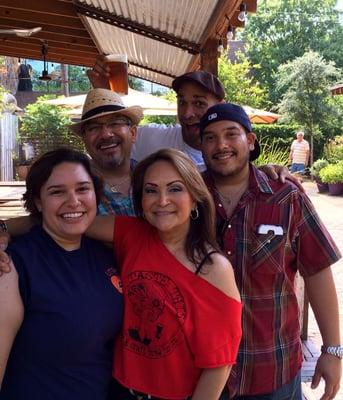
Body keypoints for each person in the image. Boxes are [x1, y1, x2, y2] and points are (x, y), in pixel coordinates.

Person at [0, 148, 242, 400]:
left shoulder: (213, 267)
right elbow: (64, 218)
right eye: (150, 190)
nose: (162, 200)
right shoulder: (131, 235)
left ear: (195, 197)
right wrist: (3, 227)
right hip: (116, 390)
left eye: (175, 188)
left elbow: (219, 363)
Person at [199, 103, 342, 399]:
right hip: (201, 372)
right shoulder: (188, 198)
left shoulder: (287, 197)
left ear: (250, 141)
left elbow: (317, 270)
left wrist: (332, 349)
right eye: (210, 137)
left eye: (230, 134)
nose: (221, 145)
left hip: (272, 369)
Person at [0, 148, 123, 399]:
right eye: (57, 192)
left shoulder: (105, 254)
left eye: (82, 189)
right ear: (37, 201)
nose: (74, 201)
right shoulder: (13, 265)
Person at [88, 57, 292, 183]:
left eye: (199, 104)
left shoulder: (226, 156)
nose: (187, 113)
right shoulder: (153, 138)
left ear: (220, 105)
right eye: (182, 102)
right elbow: (109, 139)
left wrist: (265, 173)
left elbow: (239, 177)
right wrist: (103, 93)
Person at [69, 88, 143, 216]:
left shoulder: (150, 177)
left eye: (115, 123)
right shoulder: (74, 190)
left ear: (133, 133)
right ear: (84, 139)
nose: (105, 134)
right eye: (94, 127)